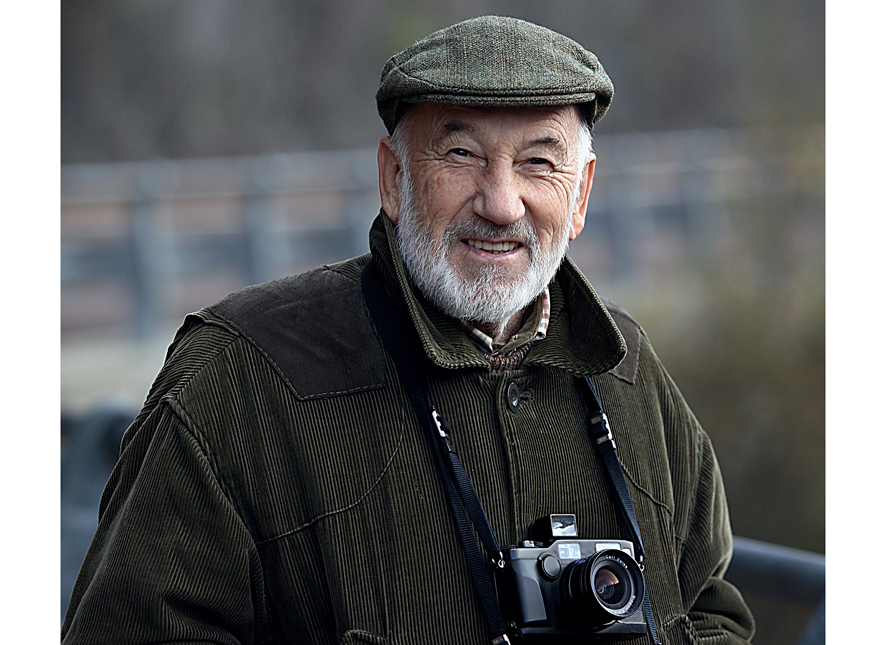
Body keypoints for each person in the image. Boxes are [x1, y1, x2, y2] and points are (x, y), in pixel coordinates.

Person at [62, 15, 755, 645]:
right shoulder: (243, 375)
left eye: (540, 162)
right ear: (394, 178)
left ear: (581, 196)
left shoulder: (626, 369)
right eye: (460, 156)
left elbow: (711, 606)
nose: (501, 201)